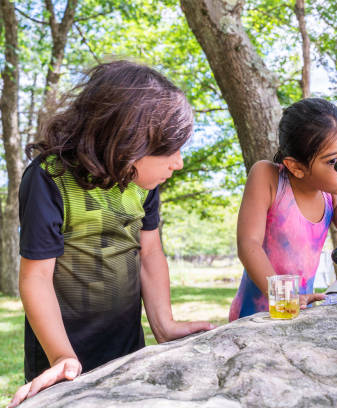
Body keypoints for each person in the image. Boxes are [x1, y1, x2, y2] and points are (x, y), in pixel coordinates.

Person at [10, 61, 215, 407]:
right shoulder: (49, 179)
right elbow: (36, 277)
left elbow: (149, 255)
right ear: (126, 143)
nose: (178, 163)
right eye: (169, 150)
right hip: (61, 355)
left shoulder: (144, 185)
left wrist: (163, 324)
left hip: (126, 349)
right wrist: (62, 356)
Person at [229, 98, 337, 321]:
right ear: (296, 167)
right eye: (334, 161)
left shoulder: (333, 194)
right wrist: (285, 299)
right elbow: (248, 244)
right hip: (257, 315)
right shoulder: (268, 177)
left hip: (300, 314)